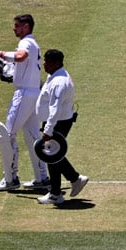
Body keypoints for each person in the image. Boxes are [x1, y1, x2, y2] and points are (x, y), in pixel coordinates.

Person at [0, 14, 48, 191]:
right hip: (33, 93)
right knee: (32, 137)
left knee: (7, 135)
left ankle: (10, 179)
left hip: (24, 94)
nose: (14, 29)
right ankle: (41, 177)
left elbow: (21, 56)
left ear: (26, 27)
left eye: (17, 26)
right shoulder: (33, 43)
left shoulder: (26, 42)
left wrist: (0, 54)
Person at [35, 49, 89, 205]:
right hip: (57, 121)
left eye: (47, 61)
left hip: (58, 122)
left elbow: (55, 108)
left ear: (55, 63)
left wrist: (48, 130)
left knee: (52, 154)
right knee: (52, 155)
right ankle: (59, 189)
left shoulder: (59, 82)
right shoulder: (56, 75)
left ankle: (70, 182)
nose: (44, 63)